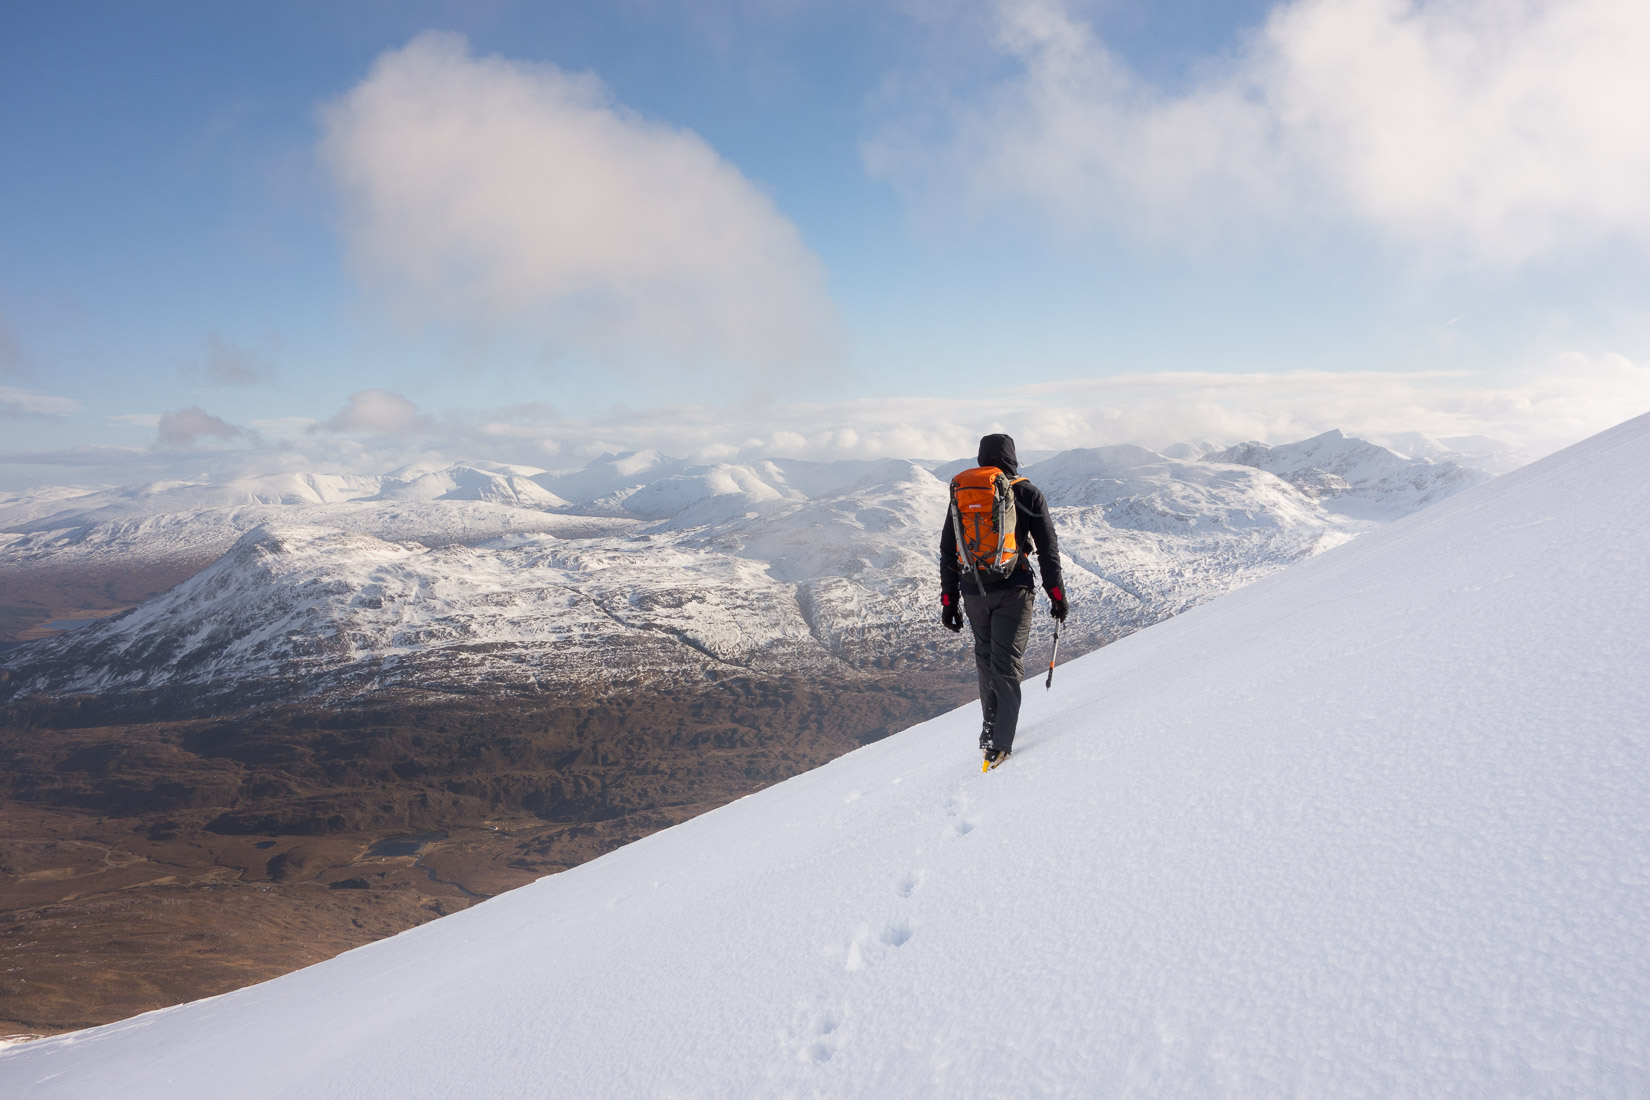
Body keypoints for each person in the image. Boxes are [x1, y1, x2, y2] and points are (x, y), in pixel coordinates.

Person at [939, 433, 1068, 766]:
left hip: (973, 592)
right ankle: (999, 744)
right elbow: (1048, 551)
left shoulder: (965, 495)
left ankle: (990, 731)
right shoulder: (1026, 493)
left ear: (982, 458)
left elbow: (948, 550)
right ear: (1012, 457)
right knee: (1006, 664)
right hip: (1014, 590)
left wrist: (948, 600)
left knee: (986, 660)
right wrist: (1057, 596)